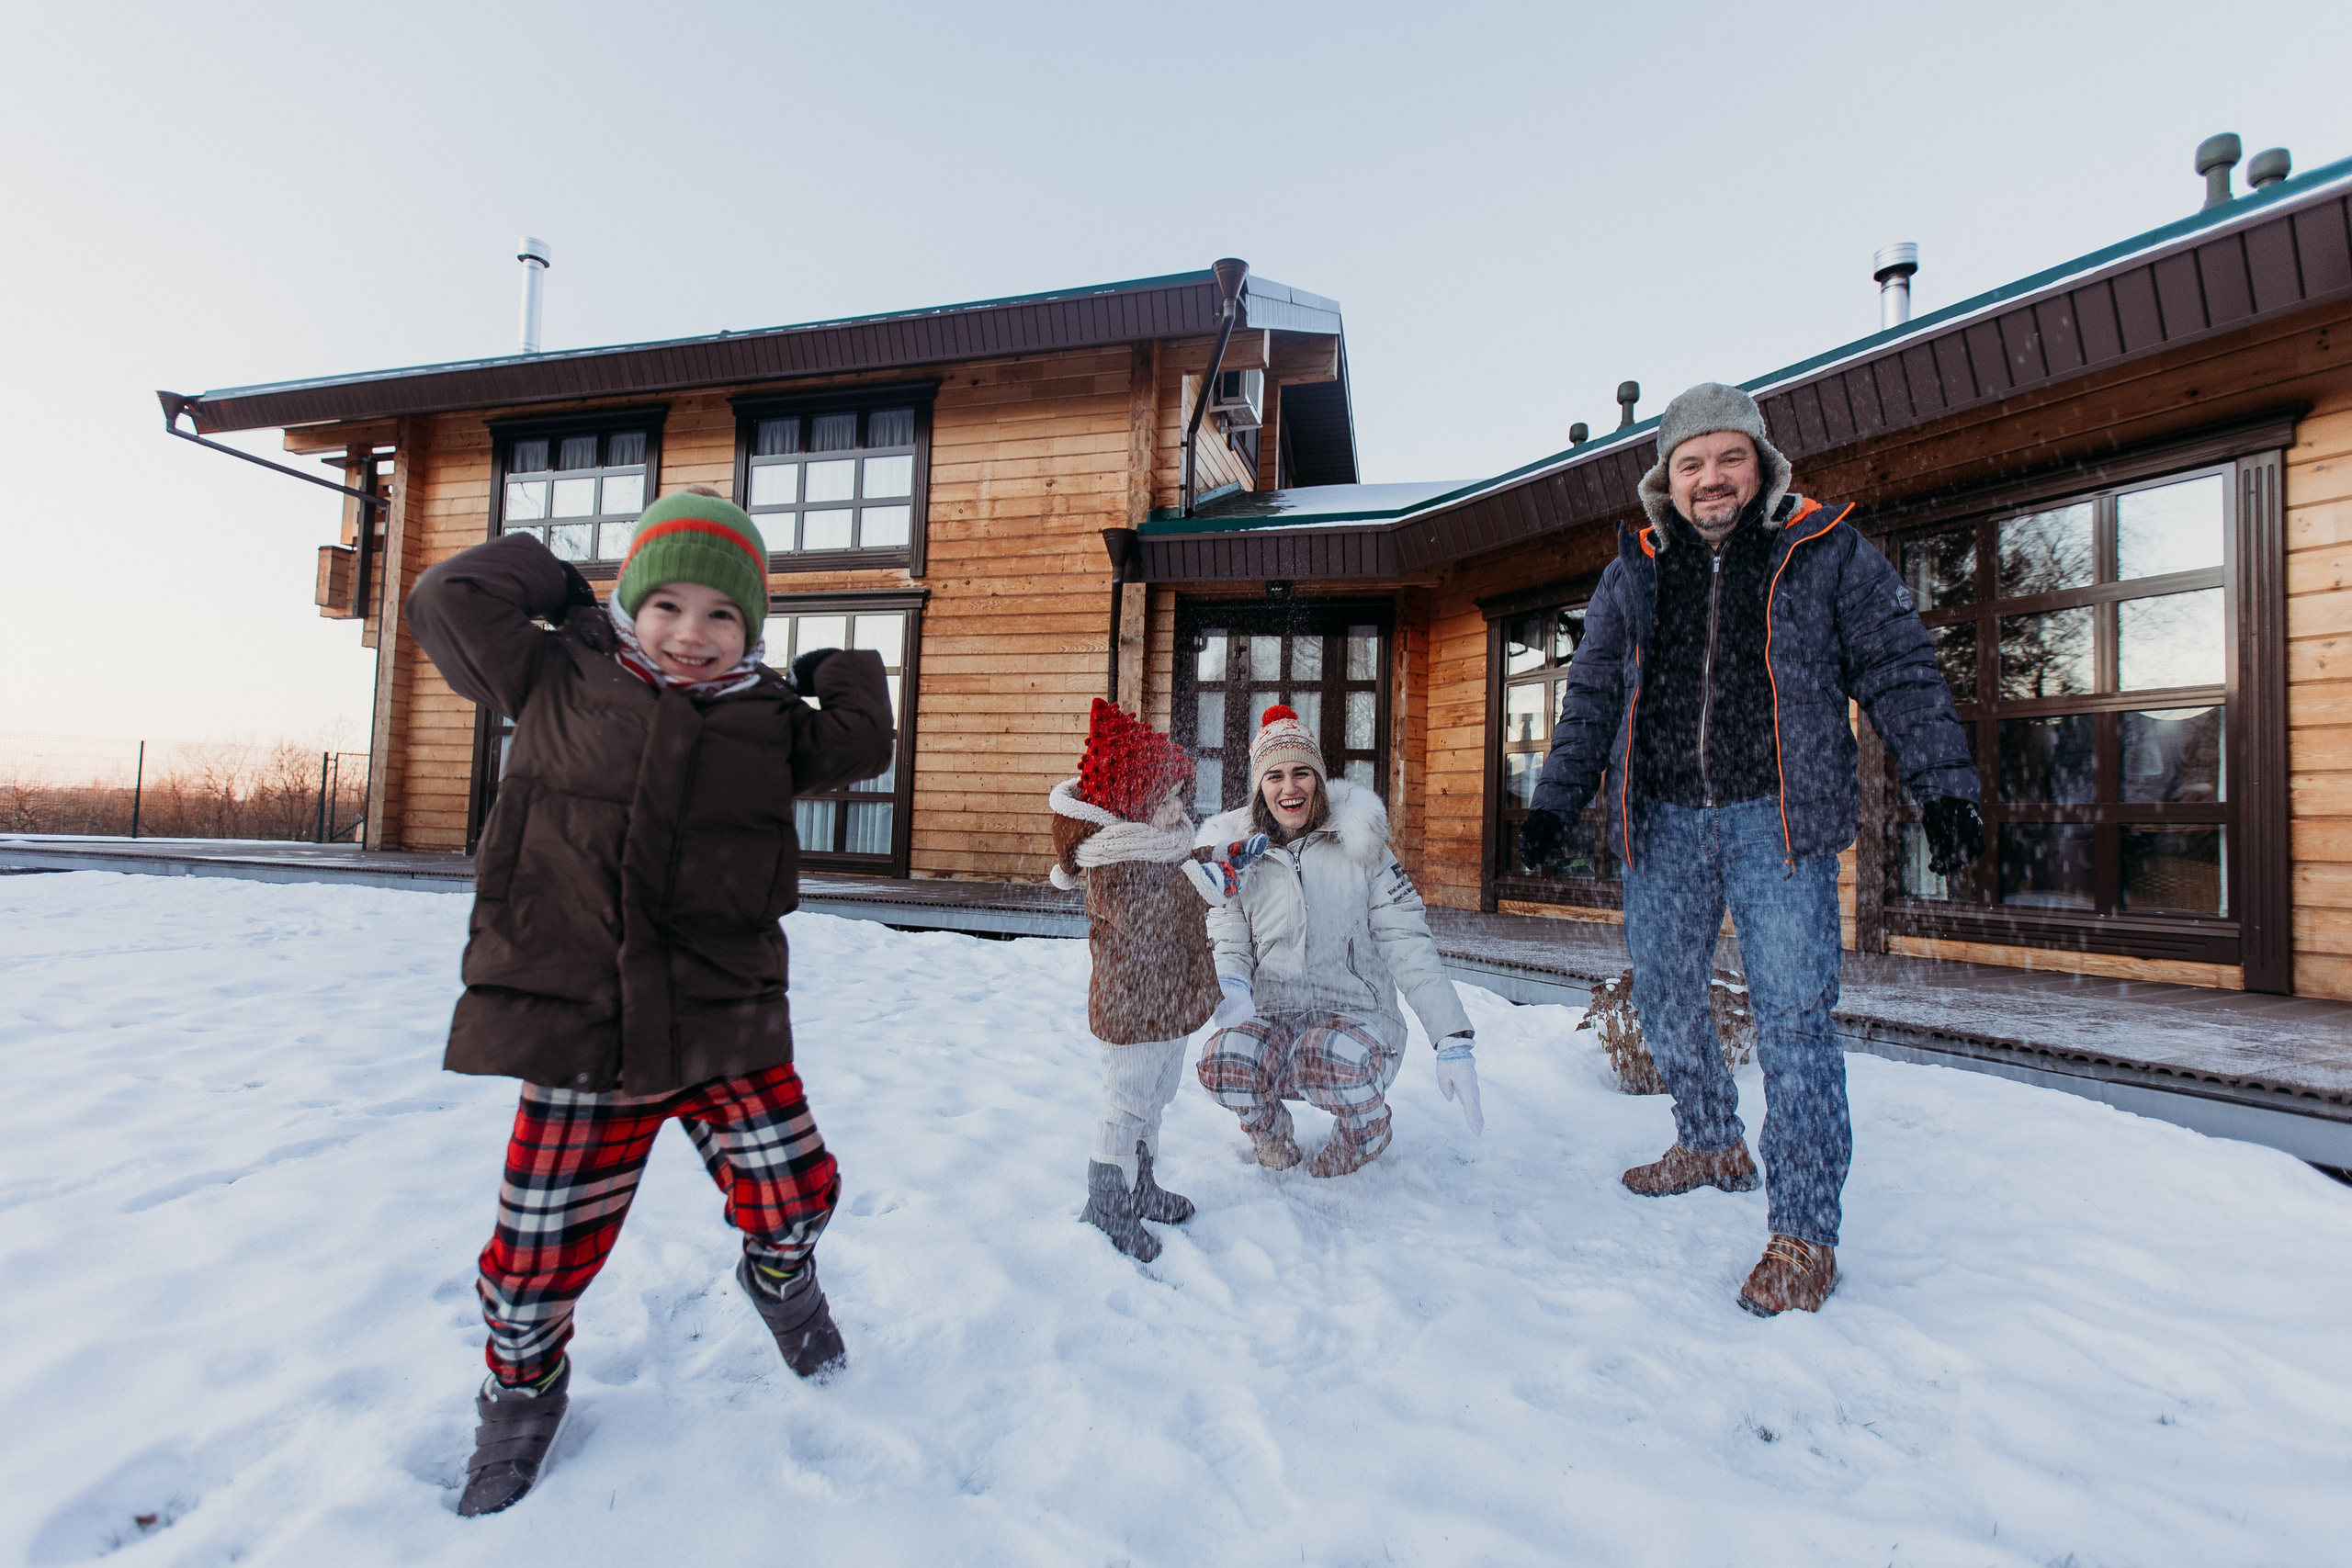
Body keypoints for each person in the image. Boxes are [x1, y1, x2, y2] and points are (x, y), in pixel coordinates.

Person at [405, 487, 894, 1515]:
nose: (693, 634)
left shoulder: (767, 721)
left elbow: (859, 738)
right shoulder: (554, 675)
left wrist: (824, 670)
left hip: (724, 1015)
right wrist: (558, 583)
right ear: (630, 601)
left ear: (751, 631)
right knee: (539, 1245)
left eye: (724, 615)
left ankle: (777, 1277)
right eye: (666, 604)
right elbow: (449, 596)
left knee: (796, 1190)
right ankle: (522, 1388)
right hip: (582, 1014)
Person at [1517, 383, 1982, 1316]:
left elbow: (1899, 670)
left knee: (1794, 1024)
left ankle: (1804, 1232)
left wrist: (1943, 786)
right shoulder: (1636, 572)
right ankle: (1709, 1140)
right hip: (1663, 821)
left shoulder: (1824, 553)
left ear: (1761, 464)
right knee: (1662, 996)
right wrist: (1554, 803)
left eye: (1727, 457)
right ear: (1667, 482)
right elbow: (1594, 697)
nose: (1710, 477)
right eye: (1689, 464)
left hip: (1778, 821)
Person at [1195, 705, 1484, 1177]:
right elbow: (1228, 942)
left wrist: (1451, 1038)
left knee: (1325, 1054)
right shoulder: (1236, 858)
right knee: (1223, 1061)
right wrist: (1232, 983)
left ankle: (1364, 1133)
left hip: (1356, 1018)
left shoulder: (1362, 848)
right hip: (1273, 1016)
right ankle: (1269, 1130)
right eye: (1275, 777)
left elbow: (1406, 941)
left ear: (1320, 781)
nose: (1289, 788)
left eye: (1302, 773)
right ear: (1259, 788)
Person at [1046, 700, 1269, 1261]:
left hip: (1165, 1007)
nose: (1179, 808)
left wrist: (1220, 856)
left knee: (1154, 1102)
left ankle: (1141, 1185)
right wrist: (1201, 881)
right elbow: (1149, 917)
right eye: (1168, 798)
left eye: (1179, 796)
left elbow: (1179, 869)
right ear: (1137, 804)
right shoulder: (1110, 863)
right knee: (1124, 1108)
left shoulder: (1155, 842)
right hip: (1131, 1015)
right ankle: (1107, 1205)